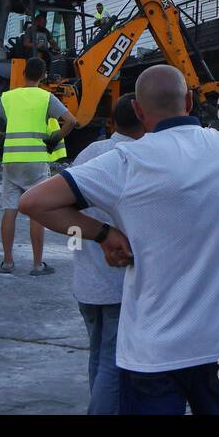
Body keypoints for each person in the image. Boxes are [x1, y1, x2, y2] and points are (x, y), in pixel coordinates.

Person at [19, 64, 219, 415]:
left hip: (150, 355)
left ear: (138, 110)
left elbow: (32, 202)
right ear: (188, 99)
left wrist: (103, 233)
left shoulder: (123, 162)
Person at [68, 94, 143, 414]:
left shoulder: (89, 153)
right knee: (115, 362)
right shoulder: (136, 158)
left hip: (86, 281)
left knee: (98, 356)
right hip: (120, 284)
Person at [0, 56, 77, 276]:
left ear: (24, 74)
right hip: (35, 162)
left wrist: (1, 137)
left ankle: (7, 262)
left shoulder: (9, 97)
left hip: (11, 160)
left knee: (9, 210)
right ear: (43, 75)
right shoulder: (46, 98)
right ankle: (37, 264)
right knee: (36, 213)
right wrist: (54, 138)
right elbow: (71, 121)